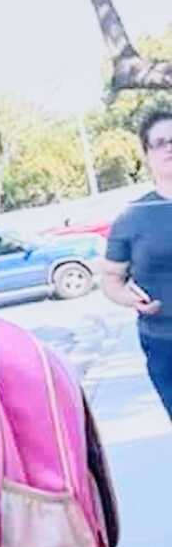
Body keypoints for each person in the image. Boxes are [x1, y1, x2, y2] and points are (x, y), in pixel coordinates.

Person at [102, 106, 172, 419]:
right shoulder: (132, 217)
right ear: (147, 154)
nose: (169, 147)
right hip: (164, 343)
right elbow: (111, 280)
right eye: (160, 142)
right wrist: (127, 298)